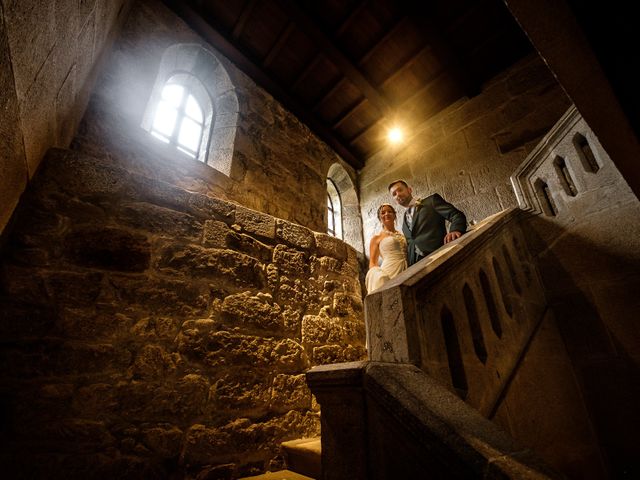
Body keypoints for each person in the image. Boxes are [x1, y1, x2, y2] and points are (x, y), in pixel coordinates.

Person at [388, 180, 467, 266]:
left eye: (400, 190)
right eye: (394, 194)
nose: (398, 194)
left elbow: (456, 215)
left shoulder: (431, 201)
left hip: (440, 255)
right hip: (417, 265)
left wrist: (455, 229)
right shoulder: (404, 221)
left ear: (409, 190)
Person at [365, 203, 408, 293]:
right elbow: (372, 263)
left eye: (389, 211)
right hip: (389, 271)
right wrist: (379, 277)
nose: (386, 214)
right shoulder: (376, 238)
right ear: (380, 218)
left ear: (394, 215)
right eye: (383, 213)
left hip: (406, 269)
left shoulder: (403, 235)